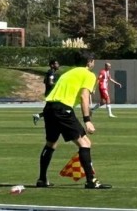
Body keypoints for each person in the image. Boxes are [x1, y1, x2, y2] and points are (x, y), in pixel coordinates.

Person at [36, 50, 111, 189]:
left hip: (49, 108)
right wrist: (87, 120)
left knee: (51, 144)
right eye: (93, 61)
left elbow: (55, 95)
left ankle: (42, 179)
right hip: (63, 110)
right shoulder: (88, 74)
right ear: (89, 62)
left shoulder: (67, 73)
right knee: (85, 143)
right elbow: (84, 96)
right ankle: (91, 181)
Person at [33, 60, 61, 125]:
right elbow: (50, 82)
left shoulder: (49, 72)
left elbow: (45, 81)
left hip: (50, 94)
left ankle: (38, 116)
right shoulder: (51, 73)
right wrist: (58, 84)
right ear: (52, 65)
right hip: (52, 95)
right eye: (56, 64)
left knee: (50, 110)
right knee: (57, 109)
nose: (58, 65)